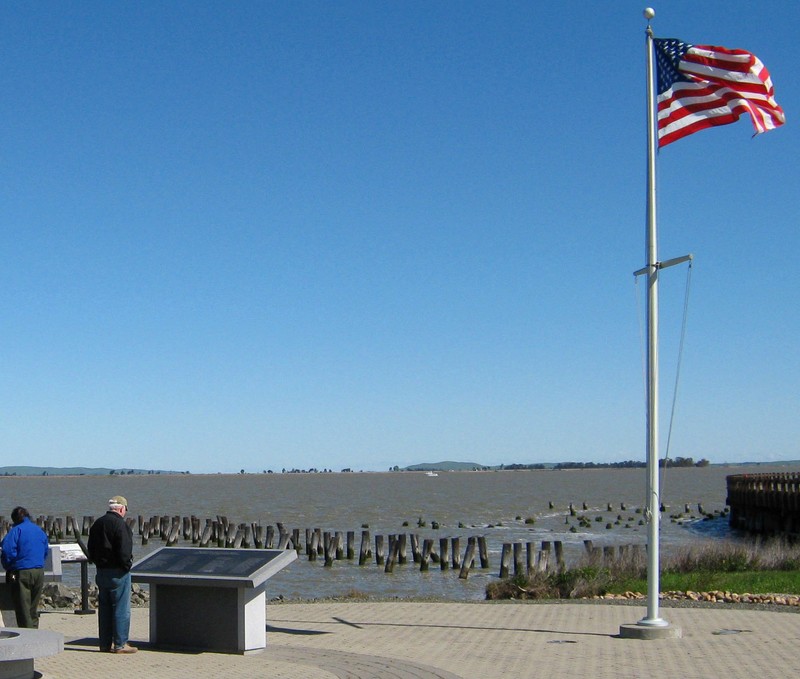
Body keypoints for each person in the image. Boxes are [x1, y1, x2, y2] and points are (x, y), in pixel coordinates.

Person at [87, 495, 137, 654]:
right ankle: (120, 644)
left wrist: (98, 562)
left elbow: (90, 548)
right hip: (118, 572)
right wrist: (127, 565)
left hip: (101, 571)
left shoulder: (98, 524)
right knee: (121, 608)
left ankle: (104, 644)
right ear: (122, 509)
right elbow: (124, 550)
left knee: (104, 609)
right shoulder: (120, 525)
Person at [1, 506, 50, 628]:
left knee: (23, 610)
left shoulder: (16, 531)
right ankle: (35, 633)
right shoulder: (39, 531)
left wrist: (9, 566)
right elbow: (45, 550)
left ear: (15, 519)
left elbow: (7, 550)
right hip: (38, 571)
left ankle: (28, 638)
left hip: (22, 571)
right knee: (33, 609)